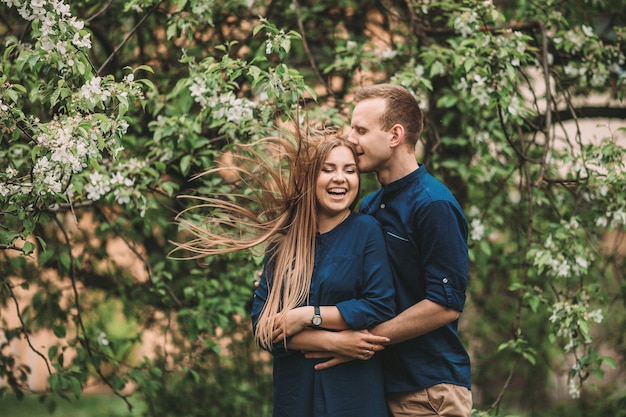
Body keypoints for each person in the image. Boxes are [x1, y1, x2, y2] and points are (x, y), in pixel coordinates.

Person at [173, 129, 396, 417]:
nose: (340, 178)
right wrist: (335, 341)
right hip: (296, 396)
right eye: (327, 169)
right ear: (308, 178)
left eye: (349, 170)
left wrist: (306, 316)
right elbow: (263, 327)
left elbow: (379, 305)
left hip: (352, 396)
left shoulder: (367, 231)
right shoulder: (283, 242)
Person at [307, 84, 473, 417]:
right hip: (379, 384)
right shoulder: (368, 207)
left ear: (395, 135)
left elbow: (445, 305)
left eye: (361, 130)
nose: (351, 138)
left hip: (429, 391)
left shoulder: (433, 205)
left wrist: (364, 341)